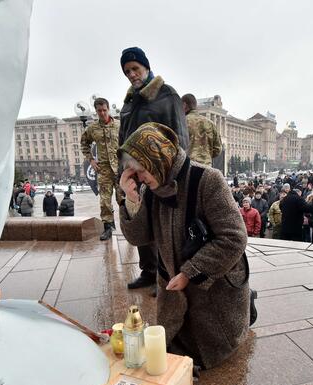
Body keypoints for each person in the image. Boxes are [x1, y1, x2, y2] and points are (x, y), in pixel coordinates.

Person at [118, 122, 250, 369]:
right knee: (171, 346)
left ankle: (245, 313)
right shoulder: (151, 188)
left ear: (159, 158)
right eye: (135, 172)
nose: (139, 177)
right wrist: (131, 200)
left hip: (214, 291)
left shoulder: (208, 180)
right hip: (173, 288)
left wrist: (190, 272)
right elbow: (137, 237)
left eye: (141, 170)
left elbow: (234, 238)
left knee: (208, 349)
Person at [118, 46, 189, 291]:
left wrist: (175, 175)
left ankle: (164, 275)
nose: (132, 74)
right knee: (140, 221)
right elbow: (123, 137)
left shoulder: (166, 94)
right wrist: (122, 170)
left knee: (161, 226)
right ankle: (148, 271)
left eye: (135, 69)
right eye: (127, 71)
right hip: (134, 172)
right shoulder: (129, 101)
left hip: (159, 174)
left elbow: (180, 136)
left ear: (146, 67)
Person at [81, 97, 123, 241]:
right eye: (99, 111)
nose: (103, 113)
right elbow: (84, 144)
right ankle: (108, 228)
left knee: (122, 198)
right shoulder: (92, 129)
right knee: (105, 201)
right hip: (103, 169)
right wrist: (91, 160)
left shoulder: (119, 125)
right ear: (96, 111)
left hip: (120, 168)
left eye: (105, 110)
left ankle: (128, 226)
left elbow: (128, 142)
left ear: (108, 109)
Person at [181, 93, 222, 166]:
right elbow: (218, 149)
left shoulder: (181, 122)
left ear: (184, 105)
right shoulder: (211, 124)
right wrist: (205, 156)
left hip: (187, 168)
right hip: (206, 169)